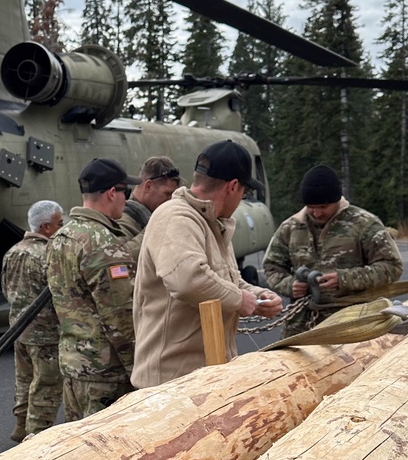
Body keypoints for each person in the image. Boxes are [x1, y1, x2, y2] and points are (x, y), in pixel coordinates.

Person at [131, 140, 282, 387]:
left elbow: (226, 279)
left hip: (202, 376)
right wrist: (240, 299)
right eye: (244, 191)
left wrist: (257, 296)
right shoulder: (176, 217)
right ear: (233, 186)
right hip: (170, 381)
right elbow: (188, 280)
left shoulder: (212, 223)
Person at [46, 157, 140, 420]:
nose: (127, 200)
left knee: (77, 449)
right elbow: (120, 318)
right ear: (112, 193)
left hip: (74, 366)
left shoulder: (60, 237)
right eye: (126, 192)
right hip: (106, 375)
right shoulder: (103, 244)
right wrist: (138, 370)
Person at [262, 164, 404, 333]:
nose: (317, 213)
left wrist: (344, 279)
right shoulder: (291, 227)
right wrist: (289, 285)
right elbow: (271, 266)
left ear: (337, 200)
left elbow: (392, 267)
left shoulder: (364, 224)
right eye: (311, 207)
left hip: (353, 321)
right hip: (301, 324)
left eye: (323, 207)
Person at [1, 199, 64, 442]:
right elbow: (58, 294)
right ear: (46, 227)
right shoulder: (49, 253)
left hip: (19, 329)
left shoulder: (13, 251)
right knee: (46, 384)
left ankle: (20, 424)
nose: (62, 228)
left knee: (24, 379)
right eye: (60, 223)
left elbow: (7, 289)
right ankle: (37, 434)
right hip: (45, 332)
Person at [119, 156, 181, 239]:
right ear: (148, 186)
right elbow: (117, 251)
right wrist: (154, 231)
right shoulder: (124, 224)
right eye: (167, 194)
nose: (171, 200)